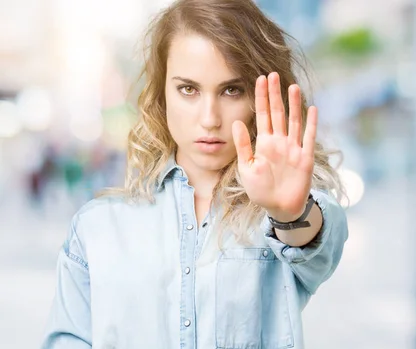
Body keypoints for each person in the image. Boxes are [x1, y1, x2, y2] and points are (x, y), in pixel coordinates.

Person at [41, 0, 349, 348]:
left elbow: (319, 244)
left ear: (258, 97)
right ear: (162, 94)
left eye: (232, 90)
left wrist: (290, 214)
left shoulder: (280, 216)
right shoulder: (96, 227)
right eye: (188, 89)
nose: (209, 118)